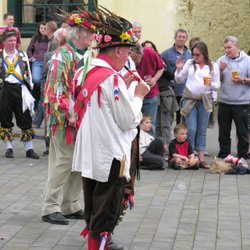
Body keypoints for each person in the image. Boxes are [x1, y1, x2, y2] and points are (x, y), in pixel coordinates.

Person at [72, 6, 150, 249]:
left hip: (89, 152)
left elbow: (102, 105)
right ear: (116, 50)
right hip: (110, 155)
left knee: (94, 206)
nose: (128, 57)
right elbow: (128, 120)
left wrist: (124, 86)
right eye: (127, 51)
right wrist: (137, 95)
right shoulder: (111, 78)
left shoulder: (85, 71)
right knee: (106, 210)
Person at [41, 11, 97, 225]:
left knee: (78, 163)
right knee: (63, 162)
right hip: (64, 120)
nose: (93, 36)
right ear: (79, 34)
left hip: (83, 119)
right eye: (90, 33)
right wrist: (68, 113)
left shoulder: (88, 56)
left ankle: (70, 204)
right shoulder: (61, 56)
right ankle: (50, 206)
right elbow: (55, 91)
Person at [175, 41, 220, 168]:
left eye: (198, 55)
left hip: (205, 100)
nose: (195, 57)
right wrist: (178, 69)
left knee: (202, 130)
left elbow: (218, 85)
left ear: (204, 54)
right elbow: (179, 79)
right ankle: (191, 156)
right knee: (191, 129)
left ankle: (201, 158)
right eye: (193, 54)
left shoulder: (213, 66)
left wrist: (211, 84)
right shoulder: (189, 63)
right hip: (190, 99)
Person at [0, 27, 39, 159]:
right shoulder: (0, 56)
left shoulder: (22, 55)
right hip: (5, 89)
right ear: (4, 42)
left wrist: (29, 90)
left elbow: (28, 73)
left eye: (14, 40)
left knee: (25, 118)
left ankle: (29, 149)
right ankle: (9, 148)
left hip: (20, 89)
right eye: (10, 40)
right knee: (5, 119)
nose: (13, 42)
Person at [216, 36, 250, 159]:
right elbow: (214, 80)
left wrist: (243, 80)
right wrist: (220, 70)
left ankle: (243, 154)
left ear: (237, 46)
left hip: (242, 102)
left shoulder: (247, 60)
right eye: (225, 48)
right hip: (225, 101)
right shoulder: (221, 60)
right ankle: (224, 153)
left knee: (242, 132)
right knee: (224, 131)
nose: (227, 50)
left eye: (229, 47)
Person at [35, 27, 67, 156]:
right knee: (48, 120)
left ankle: (61, 146)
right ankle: (48, 146)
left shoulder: (73, 55)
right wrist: (45, 92)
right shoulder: (49, 55)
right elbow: (43, 77)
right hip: (49, 94)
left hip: (64, 96)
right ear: (58, 39)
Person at [130, 43, 164, 136]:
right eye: (132, 60)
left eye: (136, 60)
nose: (134, 63)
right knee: (133, 125)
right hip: (133, 97)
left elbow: (161, 68)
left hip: (150, 96)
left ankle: (149, 148)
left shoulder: (150, 53)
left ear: (142, 54)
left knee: (149, 125)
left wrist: (155, 79)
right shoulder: (127, 60)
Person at [161, 28, 192, 124]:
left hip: (186, 92)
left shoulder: (189, 54)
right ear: (175, 38)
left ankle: (181, 138)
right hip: (172, 91)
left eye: (184, 37)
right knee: (169, 118)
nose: (181, 39)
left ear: (186, 39)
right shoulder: (166, 53)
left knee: (184, 118)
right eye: (179, 37)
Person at [27, 21, 48, 111]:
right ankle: (45, 88)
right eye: (41, 28)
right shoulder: (35, 37)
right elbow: (29, 49)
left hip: (46, 62)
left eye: (44, 28)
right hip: (37, 61)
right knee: (36, 79)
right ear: (39, 29)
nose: (43, 30)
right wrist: (31, 57)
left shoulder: (50, 38)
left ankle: (44, 93)